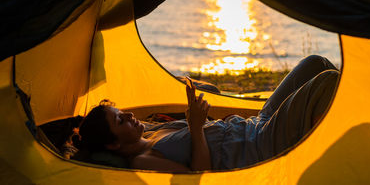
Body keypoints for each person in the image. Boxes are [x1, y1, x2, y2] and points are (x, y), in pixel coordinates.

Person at [74, 55, 339, 171]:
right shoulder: (144, 160)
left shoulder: (148, 129)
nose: (130, 116)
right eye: (121, 120)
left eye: (123, 112)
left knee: (316, 63)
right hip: (261, 145)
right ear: (114, 143)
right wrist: (197, 128)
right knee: (327, 80)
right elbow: (199, 177)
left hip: (253, 124)